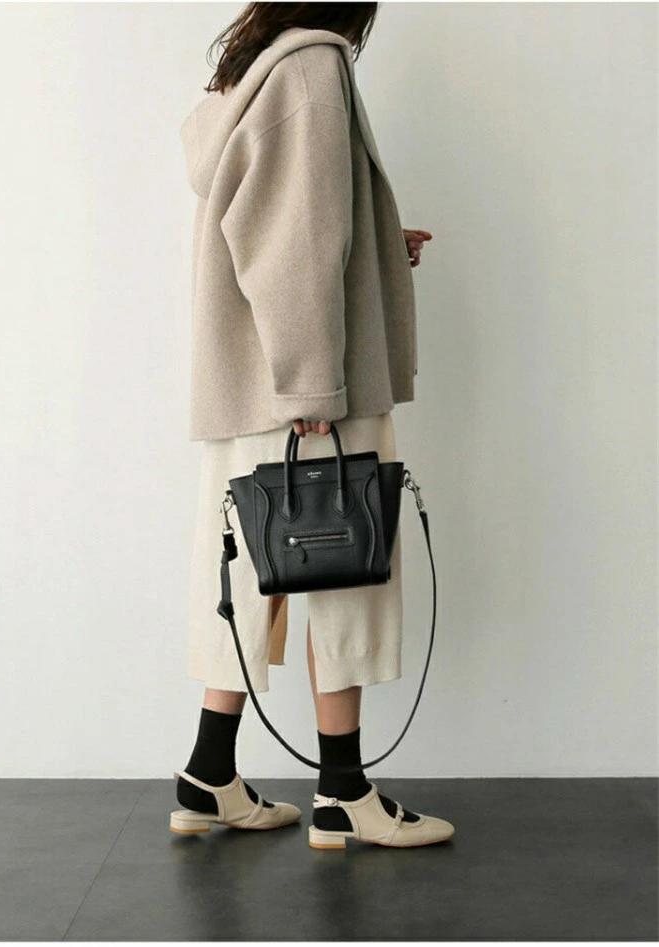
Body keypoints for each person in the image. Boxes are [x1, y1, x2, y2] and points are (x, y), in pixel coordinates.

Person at [172, 2, 454, 850]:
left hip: (251, 381)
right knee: (344, 572)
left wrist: (375, 241)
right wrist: (313, 387)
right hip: (308, 380)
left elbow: (276, 216)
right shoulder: (312, 68)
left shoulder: (254, 71)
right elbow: (293, 243)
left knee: (248, 575)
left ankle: (208, 774)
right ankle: (343, 792)